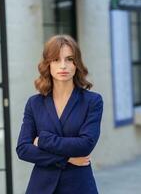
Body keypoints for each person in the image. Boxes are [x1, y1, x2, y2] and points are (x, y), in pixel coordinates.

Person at [16, 35, 104, 194]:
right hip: (41, 187)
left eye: (69, 59)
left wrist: (43, 140)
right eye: (56, 59)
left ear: (77, 64)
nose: (63, 66)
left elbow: (85, 145)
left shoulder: (92, 101)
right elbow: (23, 149)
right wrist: (67, 158)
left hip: (79, 186)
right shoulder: (34, 103)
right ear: (47, 64)